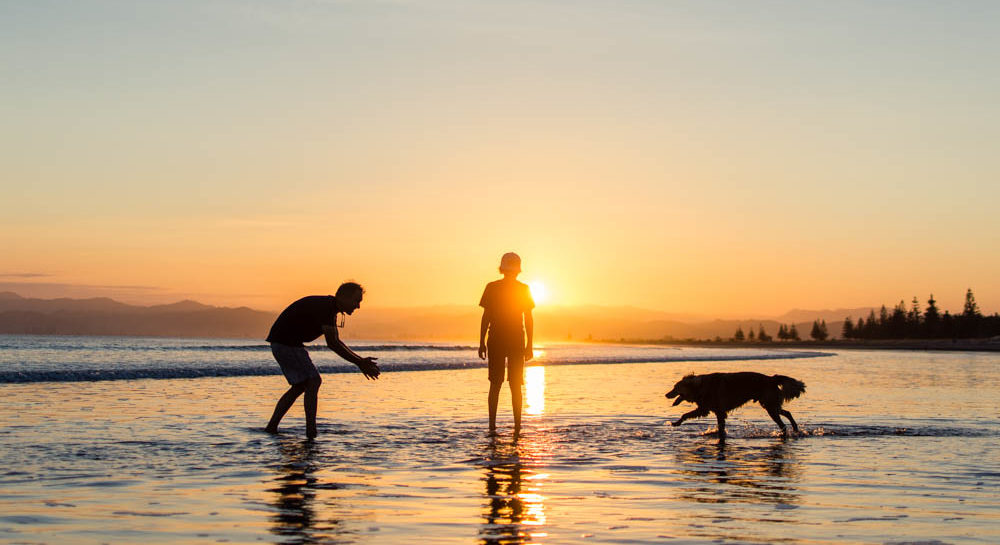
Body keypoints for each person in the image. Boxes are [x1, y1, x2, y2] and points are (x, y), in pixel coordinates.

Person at [264, 282, 380, 438]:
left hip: (285, 343)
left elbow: (336, 341)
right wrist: (360, 362)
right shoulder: (326, 308)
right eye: (356, 301)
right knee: (313, 381)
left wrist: (360, 361)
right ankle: (311, 432)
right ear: (342, 297)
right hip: (285, 343)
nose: (358, 306)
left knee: (300, 385)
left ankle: (272, 427)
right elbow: (332, 344)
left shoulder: (330, 308)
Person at [478, 252, 535, 434]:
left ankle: (493, 427)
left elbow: (486, 317)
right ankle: (517, 428)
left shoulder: (493, 287)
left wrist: (482, 341)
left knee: (496, 384)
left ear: (502, 268)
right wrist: (529, 345)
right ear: (518, 269)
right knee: (515, 385)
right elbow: (529, 319)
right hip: (514, 340)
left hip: (497, 339)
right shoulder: (523, 289)